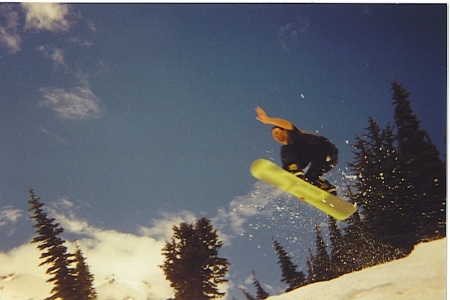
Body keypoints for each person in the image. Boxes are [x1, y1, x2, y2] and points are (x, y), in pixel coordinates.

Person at [255, 106, 338, 195]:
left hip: (323, 148)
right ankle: (326, 188)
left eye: (277, 132)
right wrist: (301, 191)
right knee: (309, 180)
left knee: (286, 150)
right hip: (328, 159)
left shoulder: (294, 136)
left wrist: (268, 120)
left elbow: (287, 124)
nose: (276, 135)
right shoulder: (297, 151)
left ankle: (293, 170)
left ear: (284, 131)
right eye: (273, 135)